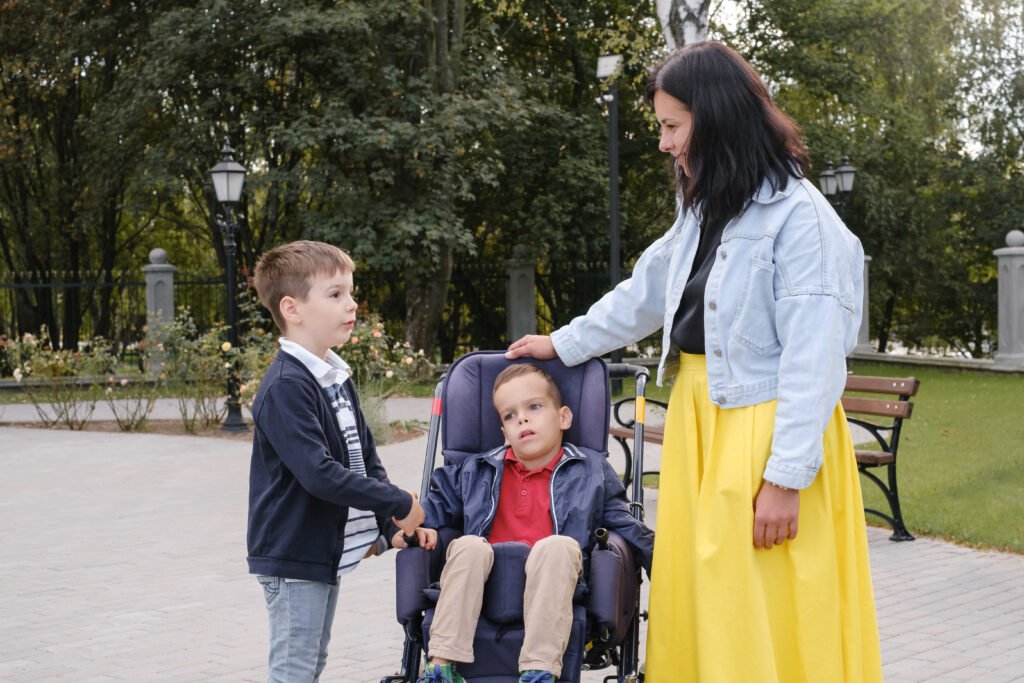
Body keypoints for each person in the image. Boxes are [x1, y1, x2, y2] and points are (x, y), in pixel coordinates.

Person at [506, 42, 883, 682]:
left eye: (672, 126)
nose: (663, 143)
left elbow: (815, 361)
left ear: (717, 120)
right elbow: (647, 293)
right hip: (702, 420)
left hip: (764, 432)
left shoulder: (804, 223)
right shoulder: (707, 209)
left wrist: (786, 478)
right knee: (708, 597)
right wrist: (563, 343)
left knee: (761, 601)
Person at [401, 363, 654, 683]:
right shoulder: (473, 470)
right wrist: (406, 522)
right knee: (466, 545)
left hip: (557, 584)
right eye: (509, 415)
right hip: (485, 585)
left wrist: (663, 562)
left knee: (559, 546)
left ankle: (539, 671)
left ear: (563, 417)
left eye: (534, 407)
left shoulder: (590, 469)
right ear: (504, 432)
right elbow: (431, 511)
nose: (521, 418)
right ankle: (441, 667)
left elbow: (623, 522)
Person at [246, 240, 425, 683]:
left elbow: (363, 458)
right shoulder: (287, 385)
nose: (352, 303)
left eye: (351, 292)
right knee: (295, 671)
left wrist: (389, 527)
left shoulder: (334, 376)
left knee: (310, 664)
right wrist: (399, 500)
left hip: (316, 550)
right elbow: (318, 474)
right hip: (292, 552)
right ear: (293, 308)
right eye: (335, 294)